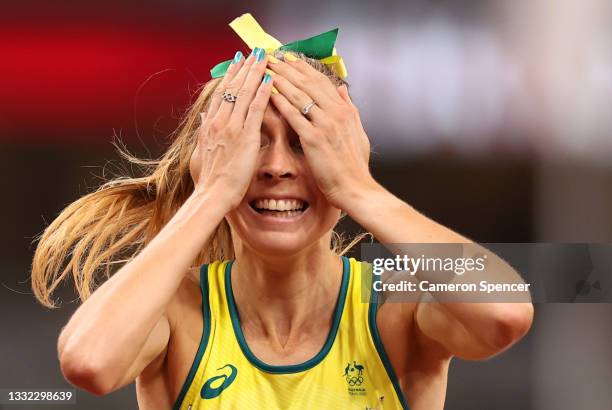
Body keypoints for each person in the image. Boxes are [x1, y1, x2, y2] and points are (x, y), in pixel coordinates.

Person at [30, 14, 533, 410]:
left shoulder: (392, 308)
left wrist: (359, 187)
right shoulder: (183, 316)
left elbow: (505, 312)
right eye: (251, 143)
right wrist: (210, 193)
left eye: (303, 143)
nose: (275, 167)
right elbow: (87, 362)